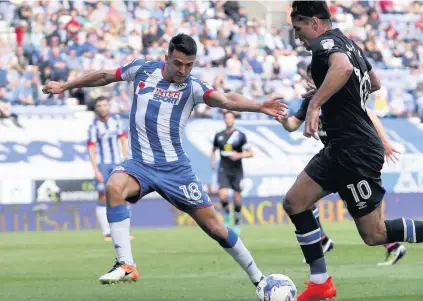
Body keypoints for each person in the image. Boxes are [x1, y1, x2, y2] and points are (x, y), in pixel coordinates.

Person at [43, 33, 287, 286]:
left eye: (189, 65)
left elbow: (226, 99)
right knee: (114, 186)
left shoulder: (193, 87)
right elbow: (104, 75)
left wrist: (258, 106)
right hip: (139, 165)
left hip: (175, 171)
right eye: (178, 63)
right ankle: (126, 264)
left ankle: (259, 279)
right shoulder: (142, 70)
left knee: (215, 228)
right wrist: (65, 86)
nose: (183, 70)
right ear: (167, 57)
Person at [285, 2, 423, 301]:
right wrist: (331, 93)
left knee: (374, 234)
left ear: (313, 22)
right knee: (294, 202)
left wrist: (316, 103)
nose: (297, 37)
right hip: (341, 147)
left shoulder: (324, 43)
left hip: (355, 149)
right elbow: (374, 83)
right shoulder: (348, 42)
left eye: (298, 29)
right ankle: (320, 283)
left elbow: (343, 68)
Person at [278, 65, 406, 266]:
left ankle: (393, 245)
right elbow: (293, 125)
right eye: (309, 79)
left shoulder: (338, 94)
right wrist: (284, 120)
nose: (311, 82)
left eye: (315, 78)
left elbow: (369, 114)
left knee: (364, 213)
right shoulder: (311, 100)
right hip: (333, 159)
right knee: (302, 198)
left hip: (355, 156)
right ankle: (322, 240)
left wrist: (385, 142)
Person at [87, 96, 132, 241]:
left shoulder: (117, 121)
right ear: (96, 108)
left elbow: (123, 141)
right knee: (103, 195)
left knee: (123, 195)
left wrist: (126, 160)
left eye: (105, 105)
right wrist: (95, 169)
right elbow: (91, 149)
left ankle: (124, 231)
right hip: (102, 164)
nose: (102, 108)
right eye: (99, 105)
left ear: (108, 107)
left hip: (117, 163)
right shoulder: (93, 126)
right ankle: (106, 232)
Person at [211, 111, 252, 234]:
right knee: (223, 195)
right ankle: (228, 214)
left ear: (234, 120)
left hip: (236, 170)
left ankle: (237, 222)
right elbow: (213, 150)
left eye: (230, 118)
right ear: (224, 120)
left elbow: (250, 153)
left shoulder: (240, 135)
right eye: (226, 118)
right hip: (223, 169)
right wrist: (212, 161)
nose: (228, 120)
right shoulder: (219, 135)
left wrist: (239, 155)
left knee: (237, 198)